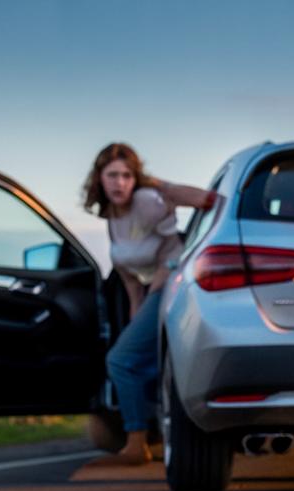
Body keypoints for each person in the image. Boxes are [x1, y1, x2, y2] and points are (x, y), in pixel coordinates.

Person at [80, 143, 215, 467]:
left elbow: (206, 201)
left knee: (120, 360)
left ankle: (136, 442)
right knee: (137, 359)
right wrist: (135, 324)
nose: (120, 183)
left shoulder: (145, 200)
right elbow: (131, 285)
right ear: (99, 179)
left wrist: (159, 185)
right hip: (151, 294)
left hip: (173, 288)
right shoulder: (113, 218)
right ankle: (160, 433)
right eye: (112, 175)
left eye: (127, 175)